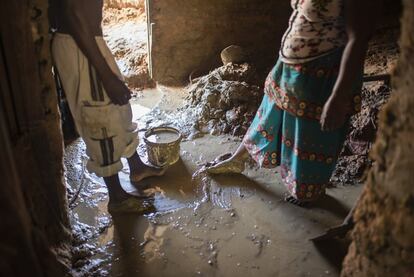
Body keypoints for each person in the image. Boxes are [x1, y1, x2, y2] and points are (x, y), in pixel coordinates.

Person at [206, 0, 382, 206]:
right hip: (290, 66)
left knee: (309, 137)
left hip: (322, 75)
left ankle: (310, 193)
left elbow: (359, 39)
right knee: (268, 114)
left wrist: (338, 97)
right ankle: (238, 159)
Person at [50, 0, 165, 213]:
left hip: (88, 40)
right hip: (78, 45)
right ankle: (117, 198)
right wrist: (106, 76)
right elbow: (74, 12)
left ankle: (136, 168)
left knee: (119, 107)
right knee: (100, 118)